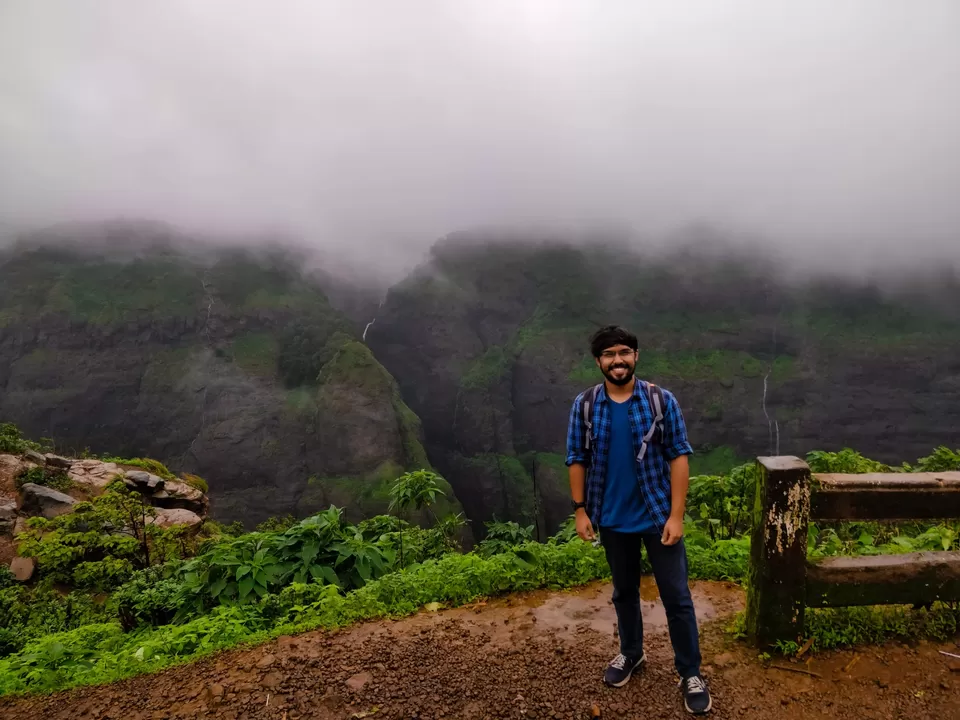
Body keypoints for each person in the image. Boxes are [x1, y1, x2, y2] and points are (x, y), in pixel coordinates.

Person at [565, 325, 712, 715]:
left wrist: (676, 515)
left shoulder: (660, 401)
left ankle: (690, 671)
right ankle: (631, 653)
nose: (618, 360)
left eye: (624, 352)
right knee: (624, 593)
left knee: (677, 598)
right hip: (611, 519)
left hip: (656, 514)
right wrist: (580, 510)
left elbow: (679, 456)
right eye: (610, 354)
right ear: (598, 361)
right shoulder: (585, 405)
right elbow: (576, 458)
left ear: (636, 356)